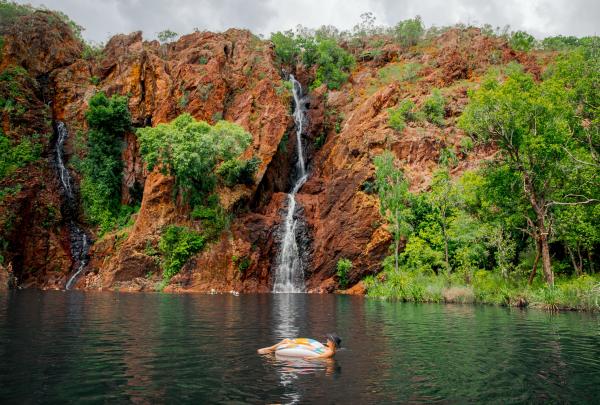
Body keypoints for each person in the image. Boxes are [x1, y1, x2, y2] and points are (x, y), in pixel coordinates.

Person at [257, 333, 342, 359]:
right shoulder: (330, 349)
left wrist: (308, 358)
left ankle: (268, 350)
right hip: (309, 349)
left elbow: (319, 357)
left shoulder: (330, 352)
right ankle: (269, 350)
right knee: (286, 340)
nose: (327, 340)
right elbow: (319, 348)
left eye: (328, 339)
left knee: (285, 340)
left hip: (308, 353)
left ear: (332, 343)